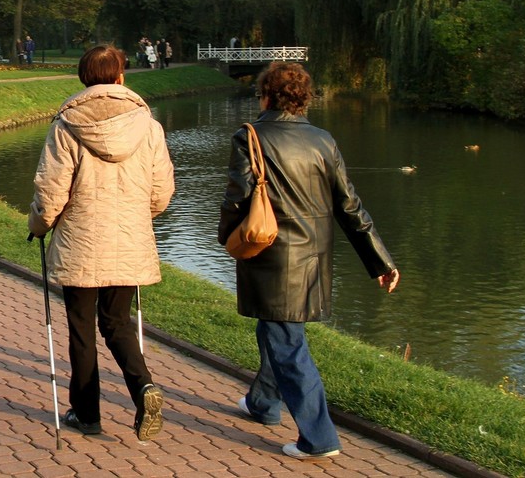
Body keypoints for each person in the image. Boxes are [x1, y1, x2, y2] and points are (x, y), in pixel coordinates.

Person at [218, 61, 401, 460]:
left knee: (286, 342)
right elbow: (349, 206)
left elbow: (237, 197)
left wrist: (227, 237)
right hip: (313, 257)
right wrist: (381, 261)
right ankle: (262, 403)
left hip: (271, 254)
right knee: (278, 329)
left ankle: (319, 439)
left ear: (267, 95)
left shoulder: (250, 136)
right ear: (302, 99)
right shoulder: (323, 140)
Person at [28, 45, 175, 442]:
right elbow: (162, 191)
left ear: (83, 78)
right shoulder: (149, 127)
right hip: (127, 239)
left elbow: (51, 192)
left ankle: (87, 414)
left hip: (79, 240)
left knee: (82, 329)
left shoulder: (66, 125)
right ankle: (143, 386)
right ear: (121, 77)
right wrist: (139, 216)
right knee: (117, 322)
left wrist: (39, 225)